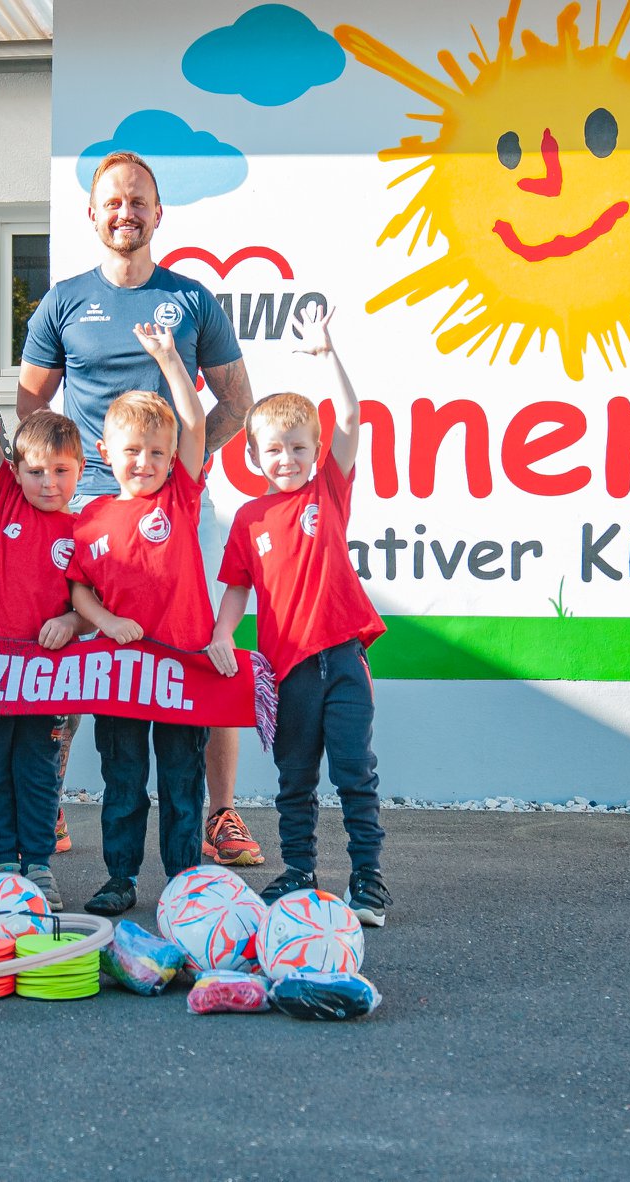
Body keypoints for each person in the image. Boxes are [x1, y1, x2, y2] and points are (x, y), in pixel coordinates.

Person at [19, 151, 265, 868]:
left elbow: (239, 404)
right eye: (112, 202)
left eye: (138, 201)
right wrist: (67, 478)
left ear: (159, 214)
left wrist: (181, 466)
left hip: (180, 508)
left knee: (202, 656)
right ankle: (51, 805)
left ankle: (219, 815)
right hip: (89, 506)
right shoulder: (63, 301)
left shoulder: (191, 299)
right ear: (91, 215)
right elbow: (32, 408)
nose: (125, 212)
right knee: (64, 643)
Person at [208, 305, 392, 926]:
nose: (286, 458)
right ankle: (300, 873)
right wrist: (222, 634)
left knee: (354, 774)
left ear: (315, 454)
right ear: (255, 457)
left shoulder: (328, 494)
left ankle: (368, 882)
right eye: (274, 450)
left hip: (342, 661)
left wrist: (327, 354)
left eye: (297, 448)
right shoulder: (248, 520)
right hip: (285, 673)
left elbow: (352, 417)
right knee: (294, 780)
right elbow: (235, 587)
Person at [65, 323, 212, 916]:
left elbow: (197, 422)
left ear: (172, 457)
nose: (146, 462)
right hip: (120, 673)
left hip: (182, 667)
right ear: (106, 453)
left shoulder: (180, 497)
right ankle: (119, 878)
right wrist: (105, 619)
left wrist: (171, 360)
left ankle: (187, 883)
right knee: (123, 783)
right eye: (132, 451)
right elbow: (78, 591)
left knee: (183, 783)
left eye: (157, 452)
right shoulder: (91, 517)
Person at [0, 332, 85, 909]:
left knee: (39, 773)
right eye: (35, 471)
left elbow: (94, 602)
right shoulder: (2, 499)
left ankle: (39, 866)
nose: (47, 482)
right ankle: (2, 862)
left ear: (79, 469)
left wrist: (73, 622)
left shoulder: (86, 530)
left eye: (60, 471)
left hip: (46, 675)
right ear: (17, 472)